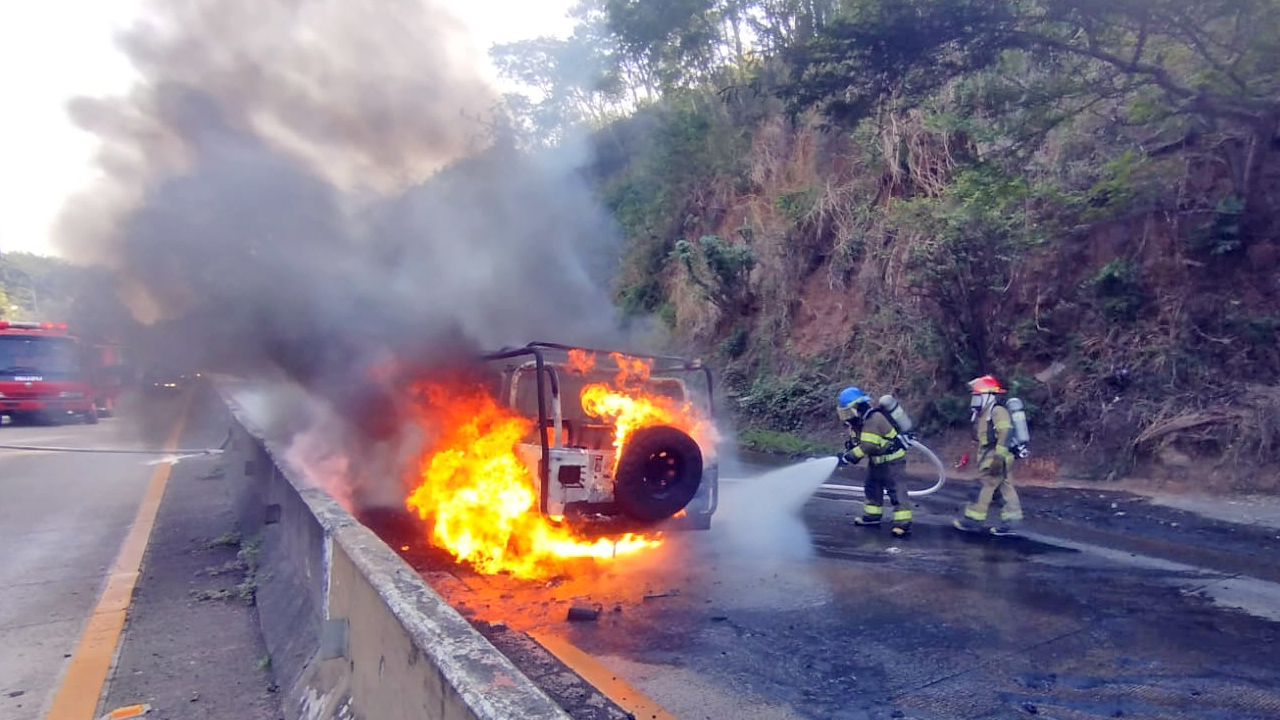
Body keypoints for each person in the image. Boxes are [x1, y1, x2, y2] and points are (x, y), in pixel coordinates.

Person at [835, 386, 913, 537]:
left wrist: (848, 458)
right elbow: (859, 444)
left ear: (856, 407)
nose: (846, 416)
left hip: (892, 462)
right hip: (876, 461)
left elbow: (868, 445)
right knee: (872, 487)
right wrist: (846, 453)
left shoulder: (873, 419)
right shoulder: (860, 422)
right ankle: (872, 517)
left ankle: (903, 523)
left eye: (848, 411)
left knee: (896, 490)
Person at [953, 375, 1023, 537]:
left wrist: (998, 458)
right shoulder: (984, 413)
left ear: (988, 395)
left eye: (977, 396)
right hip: (993, 455)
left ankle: (972, 520)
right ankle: (1012, 522)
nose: (974, 399)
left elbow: (1005, 433)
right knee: (1004, 488)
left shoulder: (997, 411)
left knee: (983, 485)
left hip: (997, 455)